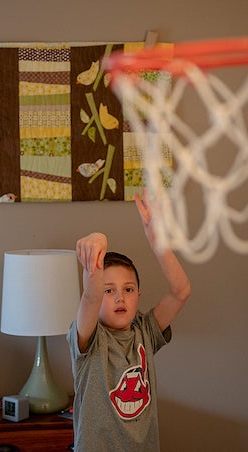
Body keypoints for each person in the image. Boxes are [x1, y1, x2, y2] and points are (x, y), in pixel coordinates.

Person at [67, 189, 191, 451]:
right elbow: (90, 297)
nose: (119, 297)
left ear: (138, 295)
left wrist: (157, 239)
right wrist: (97, 242)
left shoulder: (145, 331)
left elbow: (181, 291)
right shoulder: (89, 339)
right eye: (108, 290)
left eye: (128, 289)